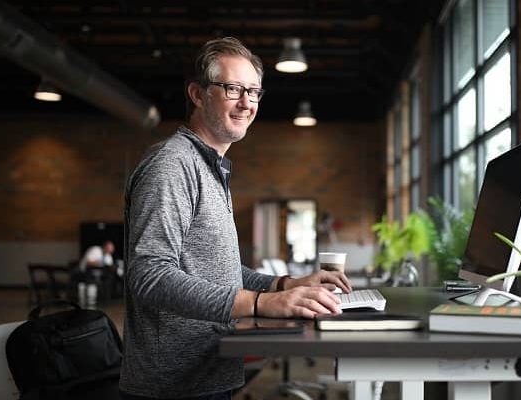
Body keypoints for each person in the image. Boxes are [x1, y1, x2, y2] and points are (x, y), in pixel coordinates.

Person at [120, 37, 352, 400]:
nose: (247, 103)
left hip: (209, 371)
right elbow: (149, 275)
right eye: (233, 89)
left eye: (254, 92)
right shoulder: (172, 164)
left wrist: (283, 286)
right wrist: (259, 303)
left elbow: (220, 271)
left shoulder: (210, 167)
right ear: (198, 94)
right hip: (173, 386)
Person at [76, 240, 115, 306]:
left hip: (99, 274)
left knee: (109, 279)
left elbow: (109, 266)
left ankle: (105, 301)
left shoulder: (108, 256)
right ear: (105, 246)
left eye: (112, 249)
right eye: (109, 248)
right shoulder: (95, 250)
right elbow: (89, 263)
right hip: (84, 272)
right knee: (92, 282)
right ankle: (88, 302)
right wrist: (101, 264)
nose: (110, 251)